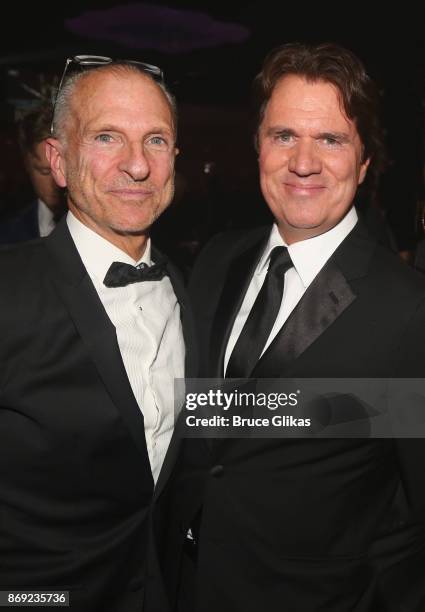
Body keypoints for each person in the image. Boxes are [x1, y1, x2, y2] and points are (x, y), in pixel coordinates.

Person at [164, 43, 425, 611]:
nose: (303, 162)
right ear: (258, 146)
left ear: (363, 161)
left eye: (330, 140)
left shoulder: (408, 312)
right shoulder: (216, 262)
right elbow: (209, 428)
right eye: (283, 135)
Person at [0, 56, 196, 612]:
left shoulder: (192, 293)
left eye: (155, 141)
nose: (137, 165)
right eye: (107, 137)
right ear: (59, 161)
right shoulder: (7, 291)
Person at [0, 103, 65, 243]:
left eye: (62, 167)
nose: (57, 180)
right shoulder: (7, 236)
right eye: (44, 171)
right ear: (26, 164)